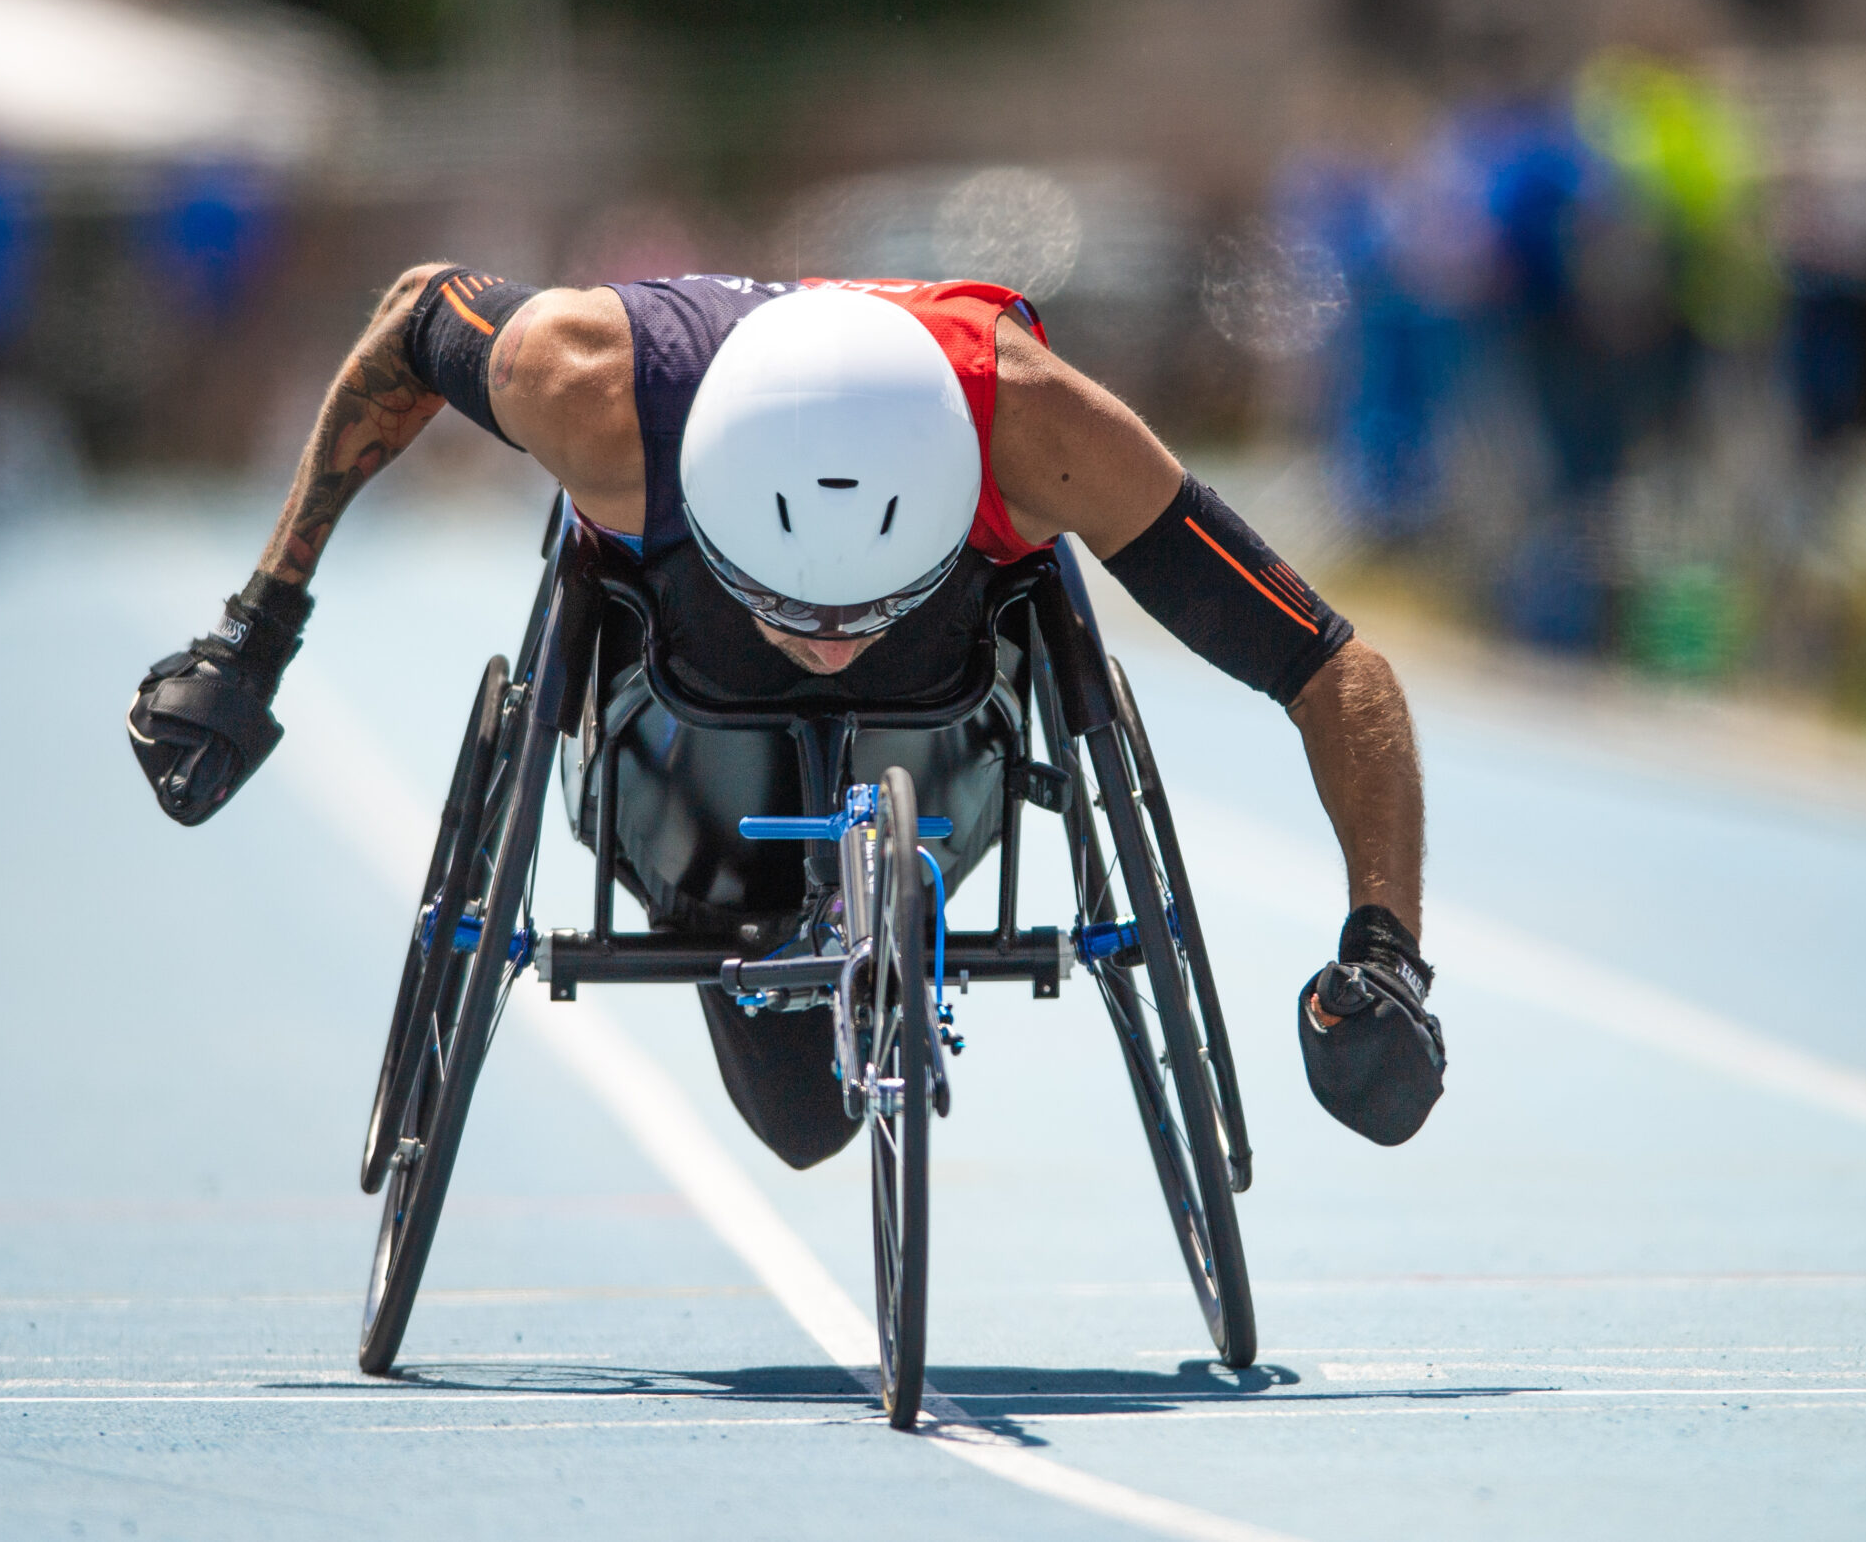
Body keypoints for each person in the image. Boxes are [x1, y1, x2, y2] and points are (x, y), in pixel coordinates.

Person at [126, 266, 1445, 1165]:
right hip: (685, 783)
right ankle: (751, 909)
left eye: (864, 607)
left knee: (810, 1120)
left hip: (947, 755)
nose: (823, 645)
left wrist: (1385, 949)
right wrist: (257, 632)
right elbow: (418, 319)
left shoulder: (1034, 422)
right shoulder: (594, 392)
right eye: (790, 607)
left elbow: (1333, 666)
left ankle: (882, 845)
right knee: (804, 1121)